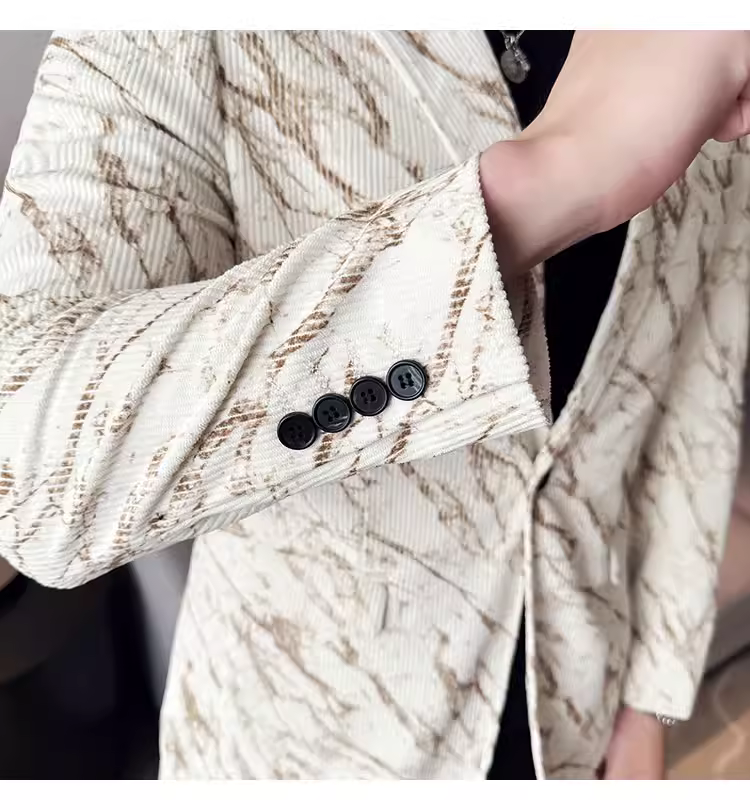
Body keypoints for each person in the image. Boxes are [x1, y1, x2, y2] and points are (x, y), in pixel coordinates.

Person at [0, 29, 749, 780]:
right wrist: (543, 186)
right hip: (311, 736)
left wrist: (650, 695)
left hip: (576, 707)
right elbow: (31, 480)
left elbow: (699, 356)